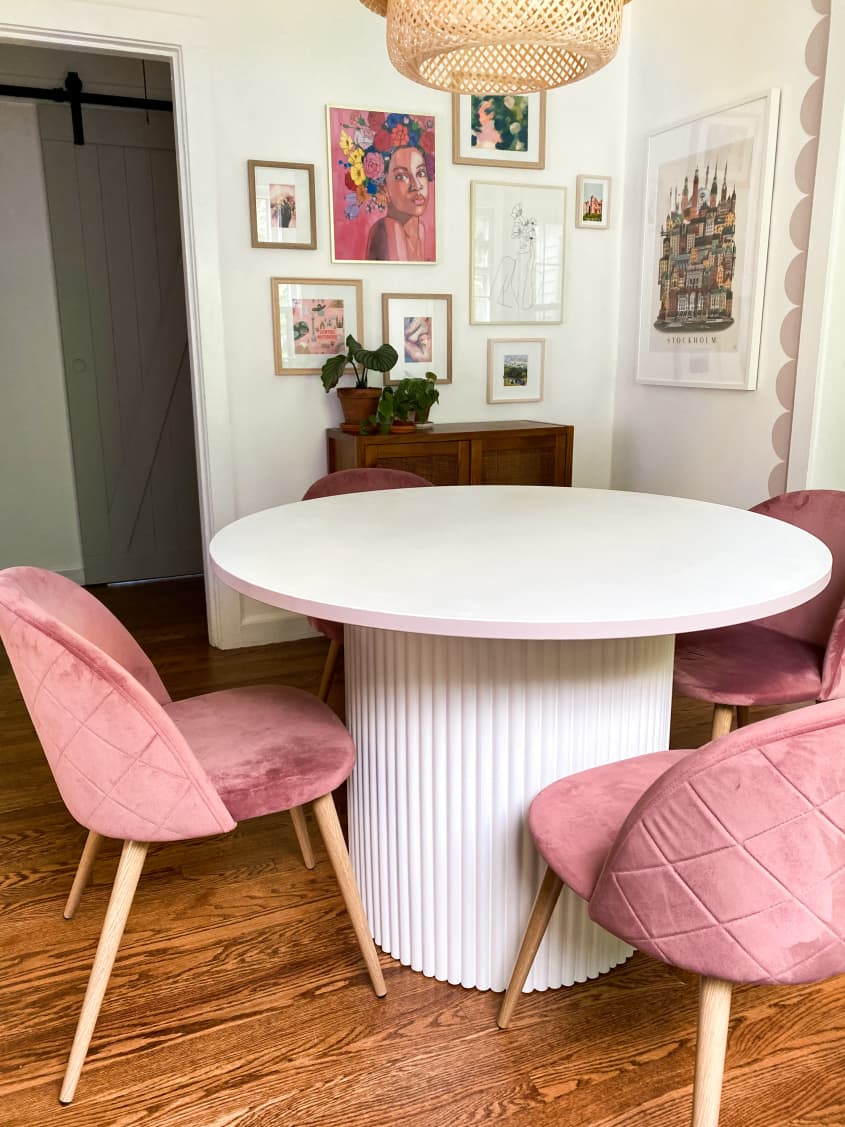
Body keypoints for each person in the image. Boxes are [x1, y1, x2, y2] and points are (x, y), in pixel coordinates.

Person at [365, 145, 431, 262]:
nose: (416, 186)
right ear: (384, 186)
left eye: (421, 173)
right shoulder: (389, 227)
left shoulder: (420, 230)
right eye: (401, 176)